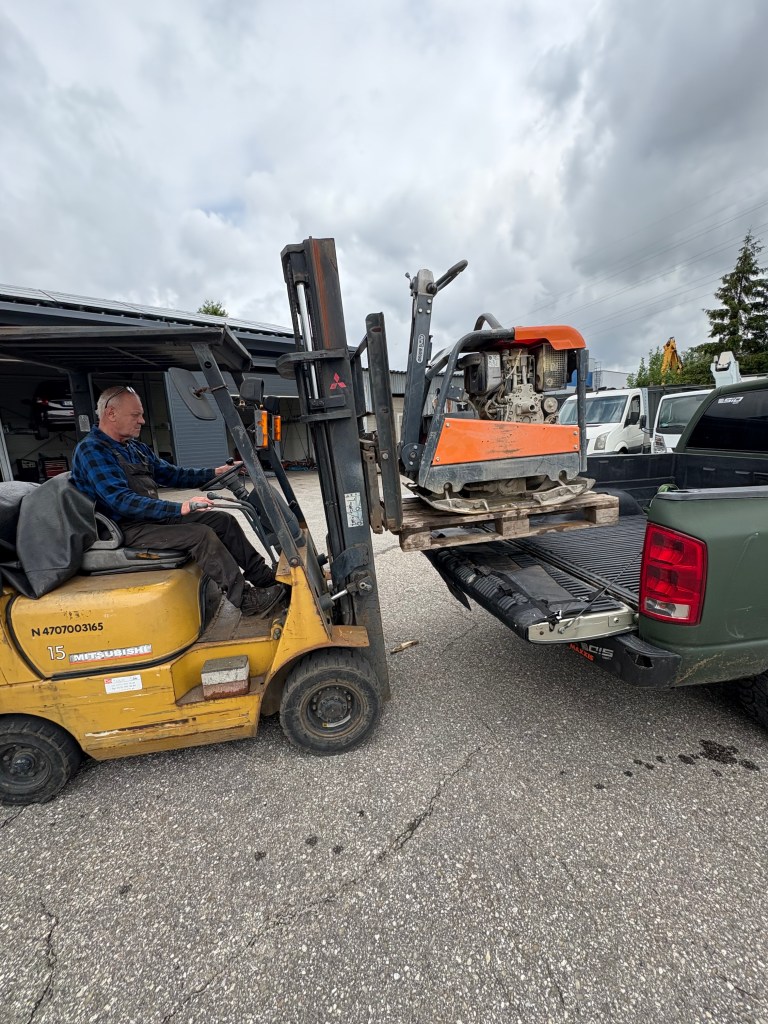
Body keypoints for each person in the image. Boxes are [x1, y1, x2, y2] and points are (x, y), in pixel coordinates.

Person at [70, 385, 284, 617]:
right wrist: (180, 507)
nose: (142, 421)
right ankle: (246, 600)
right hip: (122, 529)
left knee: (223, 521)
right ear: (111, 413)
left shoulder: (133, 448)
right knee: (200, 535)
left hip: (147, 520)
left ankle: (264, 578)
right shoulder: (92, 450)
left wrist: (215, 473)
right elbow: (121, 501)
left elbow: (172, 474)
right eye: (136, 415)